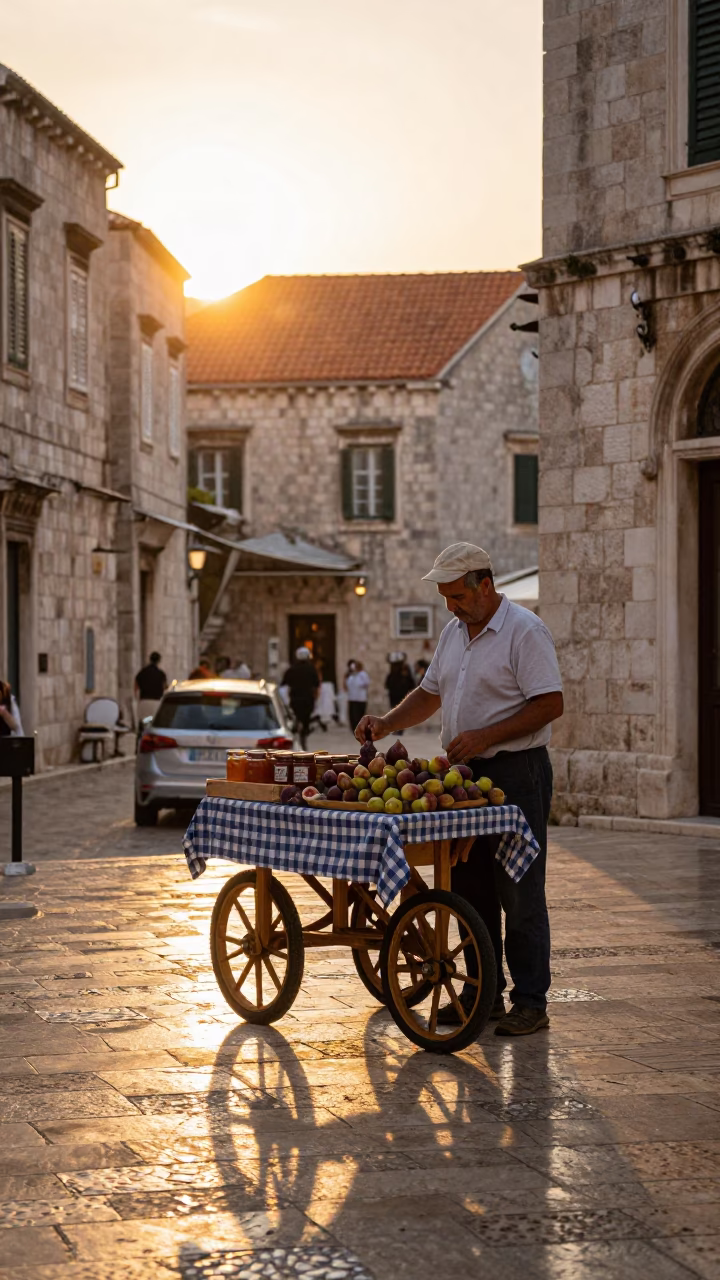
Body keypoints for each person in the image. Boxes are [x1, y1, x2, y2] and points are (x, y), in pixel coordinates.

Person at [356, 542, 563, 1038]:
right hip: (467, 781)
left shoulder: (524, 631)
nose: (452, 606)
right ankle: (482, 994)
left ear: (485, 585)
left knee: (520, 890)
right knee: (470, 889)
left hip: (518, 774)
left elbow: (550, 703)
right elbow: (429, 694)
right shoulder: (453, 634)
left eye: (458, 596)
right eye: (446, 598)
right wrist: (386, 723)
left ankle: (531, 1001)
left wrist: (488, 735)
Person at [282, 647, 320, 749]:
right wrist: (316, 697)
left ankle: (296, 733)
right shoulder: (312, 669)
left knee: (296, 717)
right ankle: (303, 737)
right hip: (307, 699)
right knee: (306, 719)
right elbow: (316, 684)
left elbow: (284, 683)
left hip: (294, 698)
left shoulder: (292, 669)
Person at [134, 652, 167, 725]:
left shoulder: (142, 672)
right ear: (159, 661)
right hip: (156, 702)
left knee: (143, 721)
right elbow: (164, 687)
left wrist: (137, 698)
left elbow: (136, 686)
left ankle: (142, 731)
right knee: (154, 721)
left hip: (144, 701)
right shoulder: (161, 674)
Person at [345, 659, 369, 731]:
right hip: (352, 698)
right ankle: (354, 728)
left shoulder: (363, 674)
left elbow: (365, 683)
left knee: (358, 715)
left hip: (360, 698)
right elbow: (347, 685)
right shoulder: (351, 676)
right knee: (352, 715)